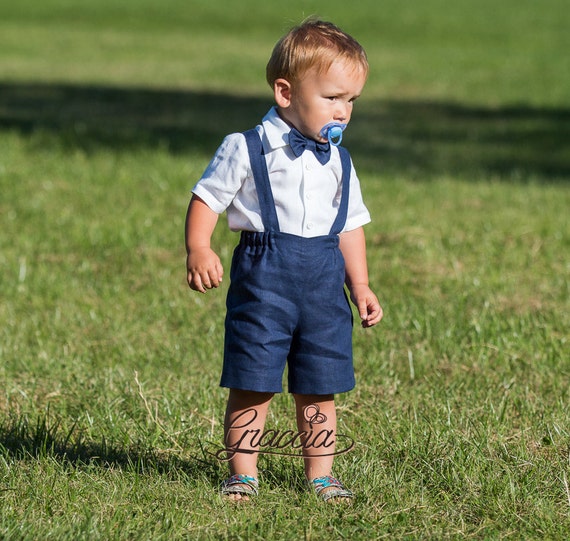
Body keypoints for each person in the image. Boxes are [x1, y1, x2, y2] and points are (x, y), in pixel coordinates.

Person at [185, 19, 383, 502]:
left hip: (323, 282)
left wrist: (359, 284)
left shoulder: (340, 161)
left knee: (320, 383)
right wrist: (199, 247)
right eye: (334, 97)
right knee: (254, 379)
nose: (344, 111)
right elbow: (207, 198)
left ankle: (321, 475)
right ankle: (243, 473)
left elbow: (349, 224)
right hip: (264, 277)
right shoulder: (245, 147)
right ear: (285, 92)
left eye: (351, 101)